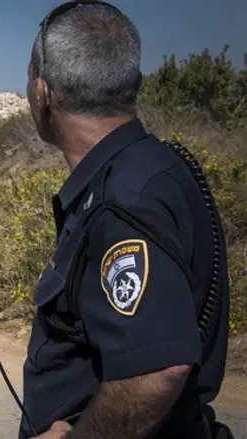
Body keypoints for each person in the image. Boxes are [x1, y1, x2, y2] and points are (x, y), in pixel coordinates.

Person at [19, 1, 232, 439]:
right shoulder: (148, 169)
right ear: (133, 82)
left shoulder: (124, 200)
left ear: (42, 93)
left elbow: (157, 368)